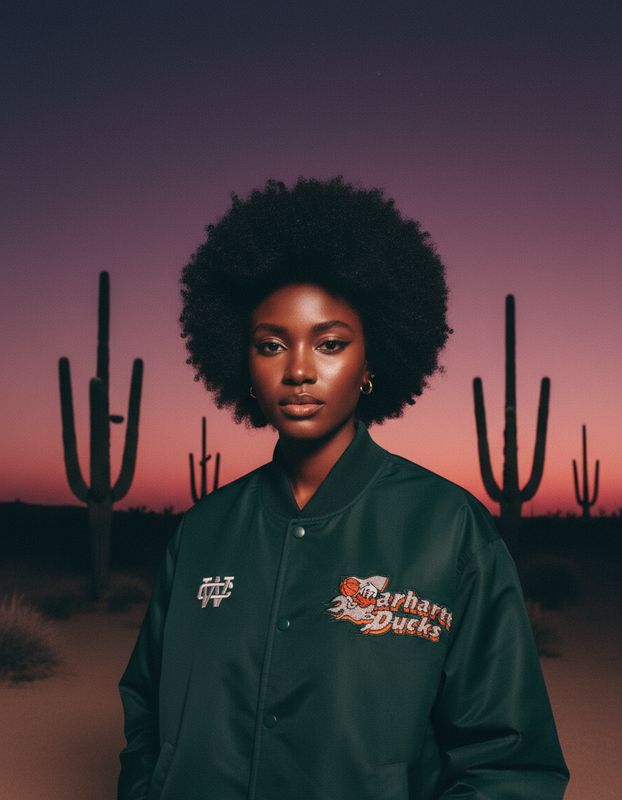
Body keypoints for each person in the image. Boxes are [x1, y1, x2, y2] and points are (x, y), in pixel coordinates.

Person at [117, 177, 569, 800]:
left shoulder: (448, 529)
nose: (299, 369)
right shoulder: (203, 529)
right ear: (242, 365)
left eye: (330, 344)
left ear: (370, 363)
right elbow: (144, 708)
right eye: (271, 345)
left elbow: (510, 762)